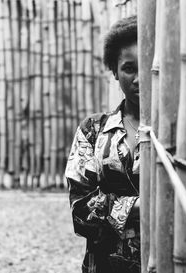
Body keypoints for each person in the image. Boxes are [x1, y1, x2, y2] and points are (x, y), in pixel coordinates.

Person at [65, 15, 140, 273]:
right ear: (115, 72)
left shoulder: (179, 137)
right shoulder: (93, 131)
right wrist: (137, 207)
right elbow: (80, 210)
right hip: (104, 265)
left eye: (147, 68)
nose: (139, 79)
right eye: (129, 68)